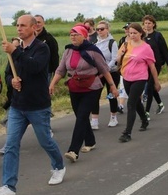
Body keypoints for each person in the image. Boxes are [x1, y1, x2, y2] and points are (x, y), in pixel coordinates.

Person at [0, 15, 65, 195]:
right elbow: (7, 73)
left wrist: (15, 51)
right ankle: (8, 186)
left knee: (45, 140)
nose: (19, 28)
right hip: (17, 105)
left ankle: (58, 166)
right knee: (11, 145)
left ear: (33, 28)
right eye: (17, 25)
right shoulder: (16, 49)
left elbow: (36, 67)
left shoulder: (41, 48)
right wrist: (11, 81)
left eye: (23, 25)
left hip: (38, 105)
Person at [49, 25, 118, 163]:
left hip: (91, 87)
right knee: (81, 117)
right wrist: (52, 84)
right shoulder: (68, 50)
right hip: (74, 87)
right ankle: (90, 141)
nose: (73, 37)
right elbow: (61, 70)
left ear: (84, 36)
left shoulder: (93, 51)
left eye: (76, 34)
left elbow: (104, 70)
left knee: (81, 117)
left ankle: (73, 150)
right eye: (71, 34)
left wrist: (112, 86)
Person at [116, 23, 161, 143]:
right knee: (135, 102)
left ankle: (127, 132)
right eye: (130, 33)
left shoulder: (146, 48)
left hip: (140, 78)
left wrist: (156, 82)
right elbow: (118, 60)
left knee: (130, 103)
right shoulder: (125, 44)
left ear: (141, 33)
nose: (132, 35)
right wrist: (120, 54)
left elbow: (152, 67)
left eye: (135, 33)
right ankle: (144, 119)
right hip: (126, 76)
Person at [142, 15, 168, 116]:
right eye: (145, 23)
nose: (147, 25)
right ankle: (160, 104)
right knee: (152, 86)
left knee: (150, 86)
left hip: (156, 64)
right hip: (144, 65)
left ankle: (146, 111)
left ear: (153, 24)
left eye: (149, 23)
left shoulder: (157, 35)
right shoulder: (142, 37)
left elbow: (164, 50)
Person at [94, 20, 121, 128]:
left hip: (112, 72)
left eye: (102, 29)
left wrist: (104, 70)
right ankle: (95, 120)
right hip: (99, 74)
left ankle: (113, 117)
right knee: (95, 96)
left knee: (111, 95)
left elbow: (114, 58)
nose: (99, 31)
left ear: (107, 30)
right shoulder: (96, 43)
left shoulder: (112, 42)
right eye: (98, 29)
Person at [34, 14, 59, 83]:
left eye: (39, 22)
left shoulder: (49, 39)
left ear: (43, 23)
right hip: (31, 70)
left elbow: (54, 56)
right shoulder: (28, 38)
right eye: (35, 22)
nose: (37, 24)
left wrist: (56, 72)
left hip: (46, 72)